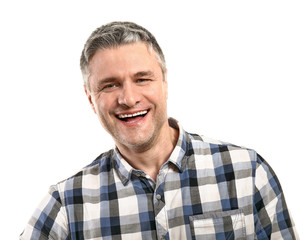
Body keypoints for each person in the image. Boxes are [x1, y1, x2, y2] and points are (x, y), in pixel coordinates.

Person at [20, 21, 299, 240]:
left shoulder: (247, 172)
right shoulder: (67, 203)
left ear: (165, 83)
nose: (128, 98)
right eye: (110, 85)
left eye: (142, 79)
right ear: (91, 99)